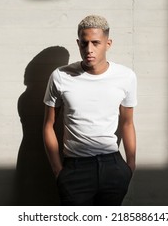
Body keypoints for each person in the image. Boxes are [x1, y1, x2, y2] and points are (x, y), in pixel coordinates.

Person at [42, 15, 137, 205]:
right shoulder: (60, 76)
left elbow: (127, 123)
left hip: (113, 166)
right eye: (84, 43)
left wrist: (130, 166)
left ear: (108, 43)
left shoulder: (125, 76)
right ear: (78, 43)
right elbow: (48, 125)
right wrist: (58, 171)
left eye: (96, 43)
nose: (89, 50)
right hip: (75, 168)